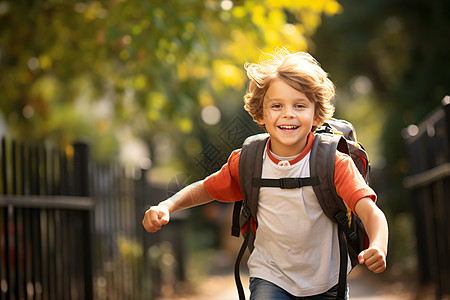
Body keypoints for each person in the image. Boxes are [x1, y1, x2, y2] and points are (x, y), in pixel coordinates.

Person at [142, 49, 388, 299]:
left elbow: (370, 212)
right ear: (261, 113)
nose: (288, 113)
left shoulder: (334, 163)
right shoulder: (249, 162)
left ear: (316, 114)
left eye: (299, 105)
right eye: (277, 106)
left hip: (327, 281)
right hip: (271, 278)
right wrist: (168, 205)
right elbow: (205, 188)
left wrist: (378, 245)